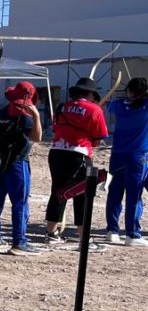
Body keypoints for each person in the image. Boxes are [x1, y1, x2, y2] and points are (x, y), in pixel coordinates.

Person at [46, 77, 110, 250]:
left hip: (56, 151)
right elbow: (98, 139)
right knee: (82, 193)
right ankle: (84, 238)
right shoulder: (94, 109)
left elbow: (56, 127)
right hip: (78, 154)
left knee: (58, 191)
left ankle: (51, 234)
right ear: (90, 94)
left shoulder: (62, 106)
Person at [0, 81, 43, 256]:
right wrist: (37, 116)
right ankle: (19, 242)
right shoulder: (25, 116)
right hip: (17, 162)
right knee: (20, 203)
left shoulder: (3, 111)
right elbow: (37, 137)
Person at [103, 77, 148, 246]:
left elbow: (109, 102)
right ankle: (132, 234)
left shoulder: (119, 105)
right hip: (137, 156)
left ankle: (112, 231)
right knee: (134, 194)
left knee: (115, 192)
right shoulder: (145, 106)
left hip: (117, 155)